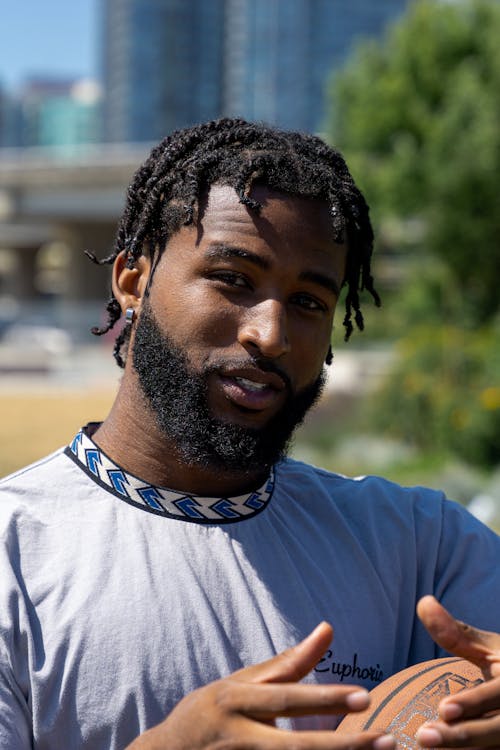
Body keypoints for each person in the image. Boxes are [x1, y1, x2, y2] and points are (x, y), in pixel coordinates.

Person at [1, 118, 500, 750]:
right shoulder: (14, 558)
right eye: (233, 280)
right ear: (133, 278)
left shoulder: (420, 544)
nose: (270, 334)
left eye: (309, 302)